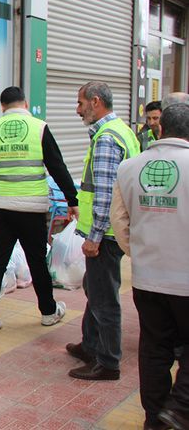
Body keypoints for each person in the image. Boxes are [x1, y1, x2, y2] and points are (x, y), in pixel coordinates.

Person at [0, 86, 78, 334]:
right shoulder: (39, 128)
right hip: (31, 208)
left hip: (0, 208)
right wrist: (72, 199)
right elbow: (57, 167)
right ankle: (48, 312)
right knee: (36, 260)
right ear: (25, 104)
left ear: (2, 106)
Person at [112, 103, 189, 430]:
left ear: (161, 128)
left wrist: (139, 254)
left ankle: (155, 420)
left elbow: (119, 221)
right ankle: (180, 407)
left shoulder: (129, 167)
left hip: (146, 279)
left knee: (154, 349)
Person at [65, 81, 139, 381]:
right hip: (112, 231)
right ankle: (90, 345)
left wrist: (94, 237)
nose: (78, 109)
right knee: (94, 289)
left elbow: (106, 194)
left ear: (96, 102)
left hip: (104, 235)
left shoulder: (107, 138)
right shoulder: (122, 130)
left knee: (104, 299)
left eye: (81, 103)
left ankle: (107, 362)